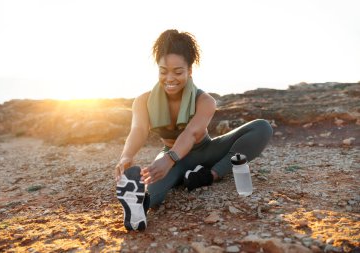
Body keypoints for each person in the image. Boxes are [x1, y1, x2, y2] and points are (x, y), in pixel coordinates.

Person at [115, 29, 273, 231]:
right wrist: (126, 156)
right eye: (163, 71)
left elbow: (191, 133)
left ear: (190, 71)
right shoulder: (143, 101)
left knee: (261, 127)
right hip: (175, 159)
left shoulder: (205, 100)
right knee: (154, 189)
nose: (170, 78)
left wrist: (169, 158)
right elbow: (138, 129)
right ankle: (139, 208)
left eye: (178, 72)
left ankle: (209, 175)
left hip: (206, 150)